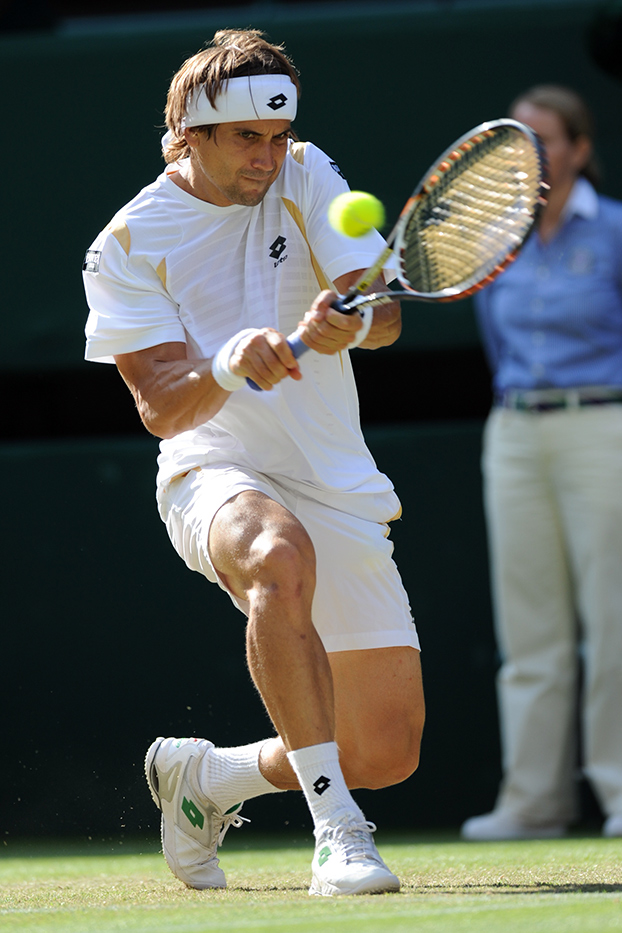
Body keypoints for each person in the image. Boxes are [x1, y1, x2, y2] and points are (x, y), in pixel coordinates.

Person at [82, 29, 425, 895]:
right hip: (212, 468)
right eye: (246, 137)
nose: (268, 157)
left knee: (383, 749)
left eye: (278, 136)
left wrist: (355, 320)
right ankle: (339, 833)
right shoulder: (126, 243)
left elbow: (383, 315)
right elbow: (161, 406)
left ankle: (207, 777)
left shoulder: (308, 173)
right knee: (277, 552)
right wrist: (229, 365)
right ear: (186, 135)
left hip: (333, 476)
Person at [462, 85, 622, 841]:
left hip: (604, 425)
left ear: (580, 150)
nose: (529, 153)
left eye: (545, 139)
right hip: (515, 431)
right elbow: (498, 345)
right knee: (528, 627)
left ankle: (619, 791)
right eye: (515, 139)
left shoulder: (615, 230)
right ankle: (532, 801)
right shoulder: (495, 239)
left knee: (614, 616)